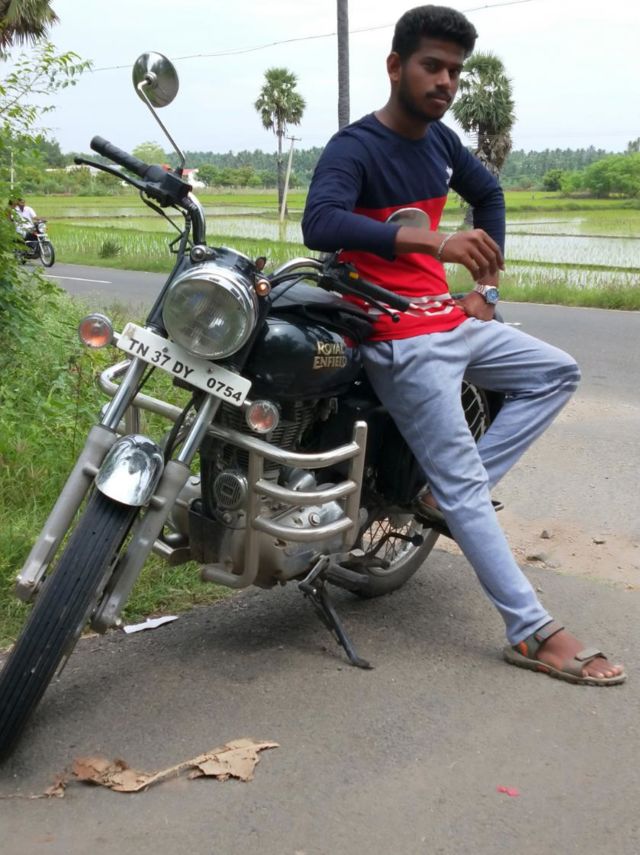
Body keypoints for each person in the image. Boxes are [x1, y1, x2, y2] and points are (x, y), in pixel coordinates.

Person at [302, 4, 625, 686]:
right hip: (397, 335)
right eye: (433, 66)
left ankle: (442, 498)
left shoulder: (442, 144)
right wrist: (434, 241)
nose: (445, 81)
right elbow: (320, 222)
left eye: (455, 71)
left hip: (451, 319)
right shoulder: (355, 147)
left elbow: (490, 194)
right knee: (466, 483)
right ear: (396, 66)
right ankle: (531, 630)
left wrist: (488, 291)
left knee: (556, 372)